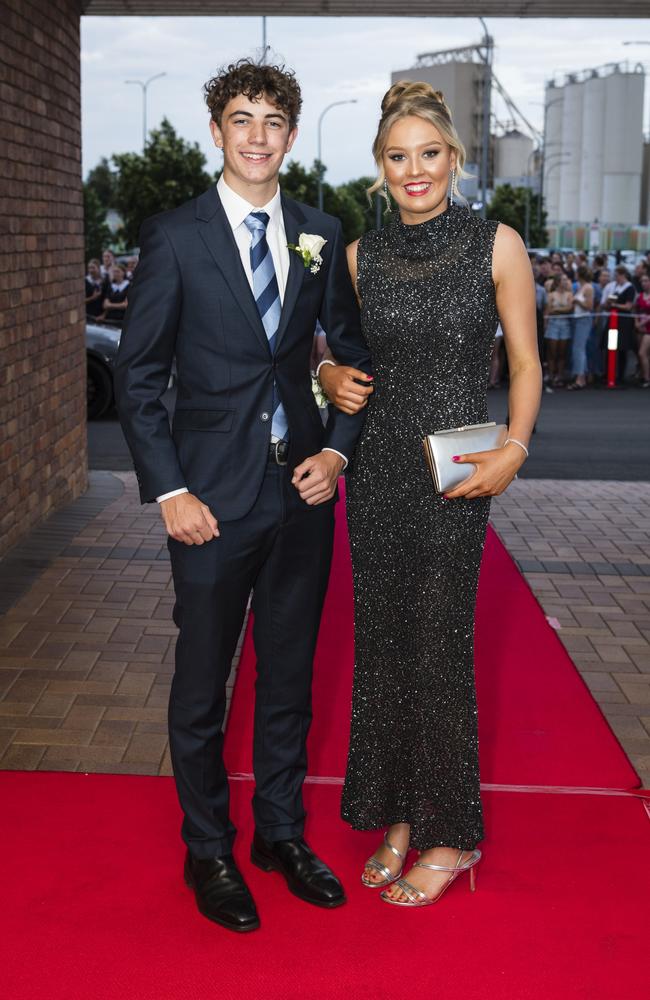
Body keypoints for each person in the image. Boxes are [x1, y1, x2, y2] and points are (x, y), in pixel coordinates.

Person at [113, 59, 371, 934]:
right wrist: (169, 490)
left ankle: (282, 837)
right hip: (209, 502)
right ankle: (209, 849)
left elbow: (349, 360)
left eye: (272, 121)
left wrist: (337, 453)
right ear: (216, 132)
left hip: (300, 491)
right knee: (202, 684)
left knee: (289, 677)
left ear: (291, 137)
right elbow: (139, 375)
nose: (257, 135)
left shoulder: (319, 231)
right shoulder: (175, 236)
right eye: (241, 119)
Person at [319, 81, 541, 908]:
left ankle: (452, 834)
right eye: (398, 157)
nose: (416, 170)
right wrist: (328, 374)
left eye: (430, 154)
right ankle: (399, 818)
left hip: (456, 472)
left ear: (454, 157)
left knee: (439, 648)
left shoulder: (497, 244)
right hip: (376, 472)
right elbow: (332, 356)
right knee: (383, 651)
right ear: (380, 168)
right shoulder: (358, 257)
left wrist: (514, 448)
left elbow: (524, 363)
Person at [544, 272, 573, 386]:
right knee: (552, 352)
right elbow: (549, 310)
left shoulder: (569, 294)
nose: (566, 282)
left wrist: (557, 310)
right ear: (558, 282)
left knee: (562, 353)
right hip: (553, 324)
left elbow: (570, 308)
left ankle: (559, 376)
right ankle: (551, 375)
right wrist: (560, 310)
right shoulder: (551, 295)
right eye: (564, 280)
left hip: (565, 324)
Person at [567, 265, 594, 390]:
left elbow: (589, 306)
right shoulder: (580, 287)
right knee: (578, 348)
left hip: (583, 319)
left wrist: (576, 301)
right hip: (578, 319)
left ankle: (580, 378)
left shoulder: (588, 287)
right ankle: (581, 376)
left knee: (579, 349)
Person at [634, 272, 650, 388]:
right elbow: (636, 311)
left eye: (646, 281)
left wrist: (641, 323)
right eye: (642, 281)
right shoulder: (639, 296)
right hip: (640, 328)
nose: (644, 283)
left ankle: (646, 378)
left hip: (648, 328)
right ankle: (643, 374)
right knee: (643, 354)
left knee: (642, 353)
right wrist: (636, 323)